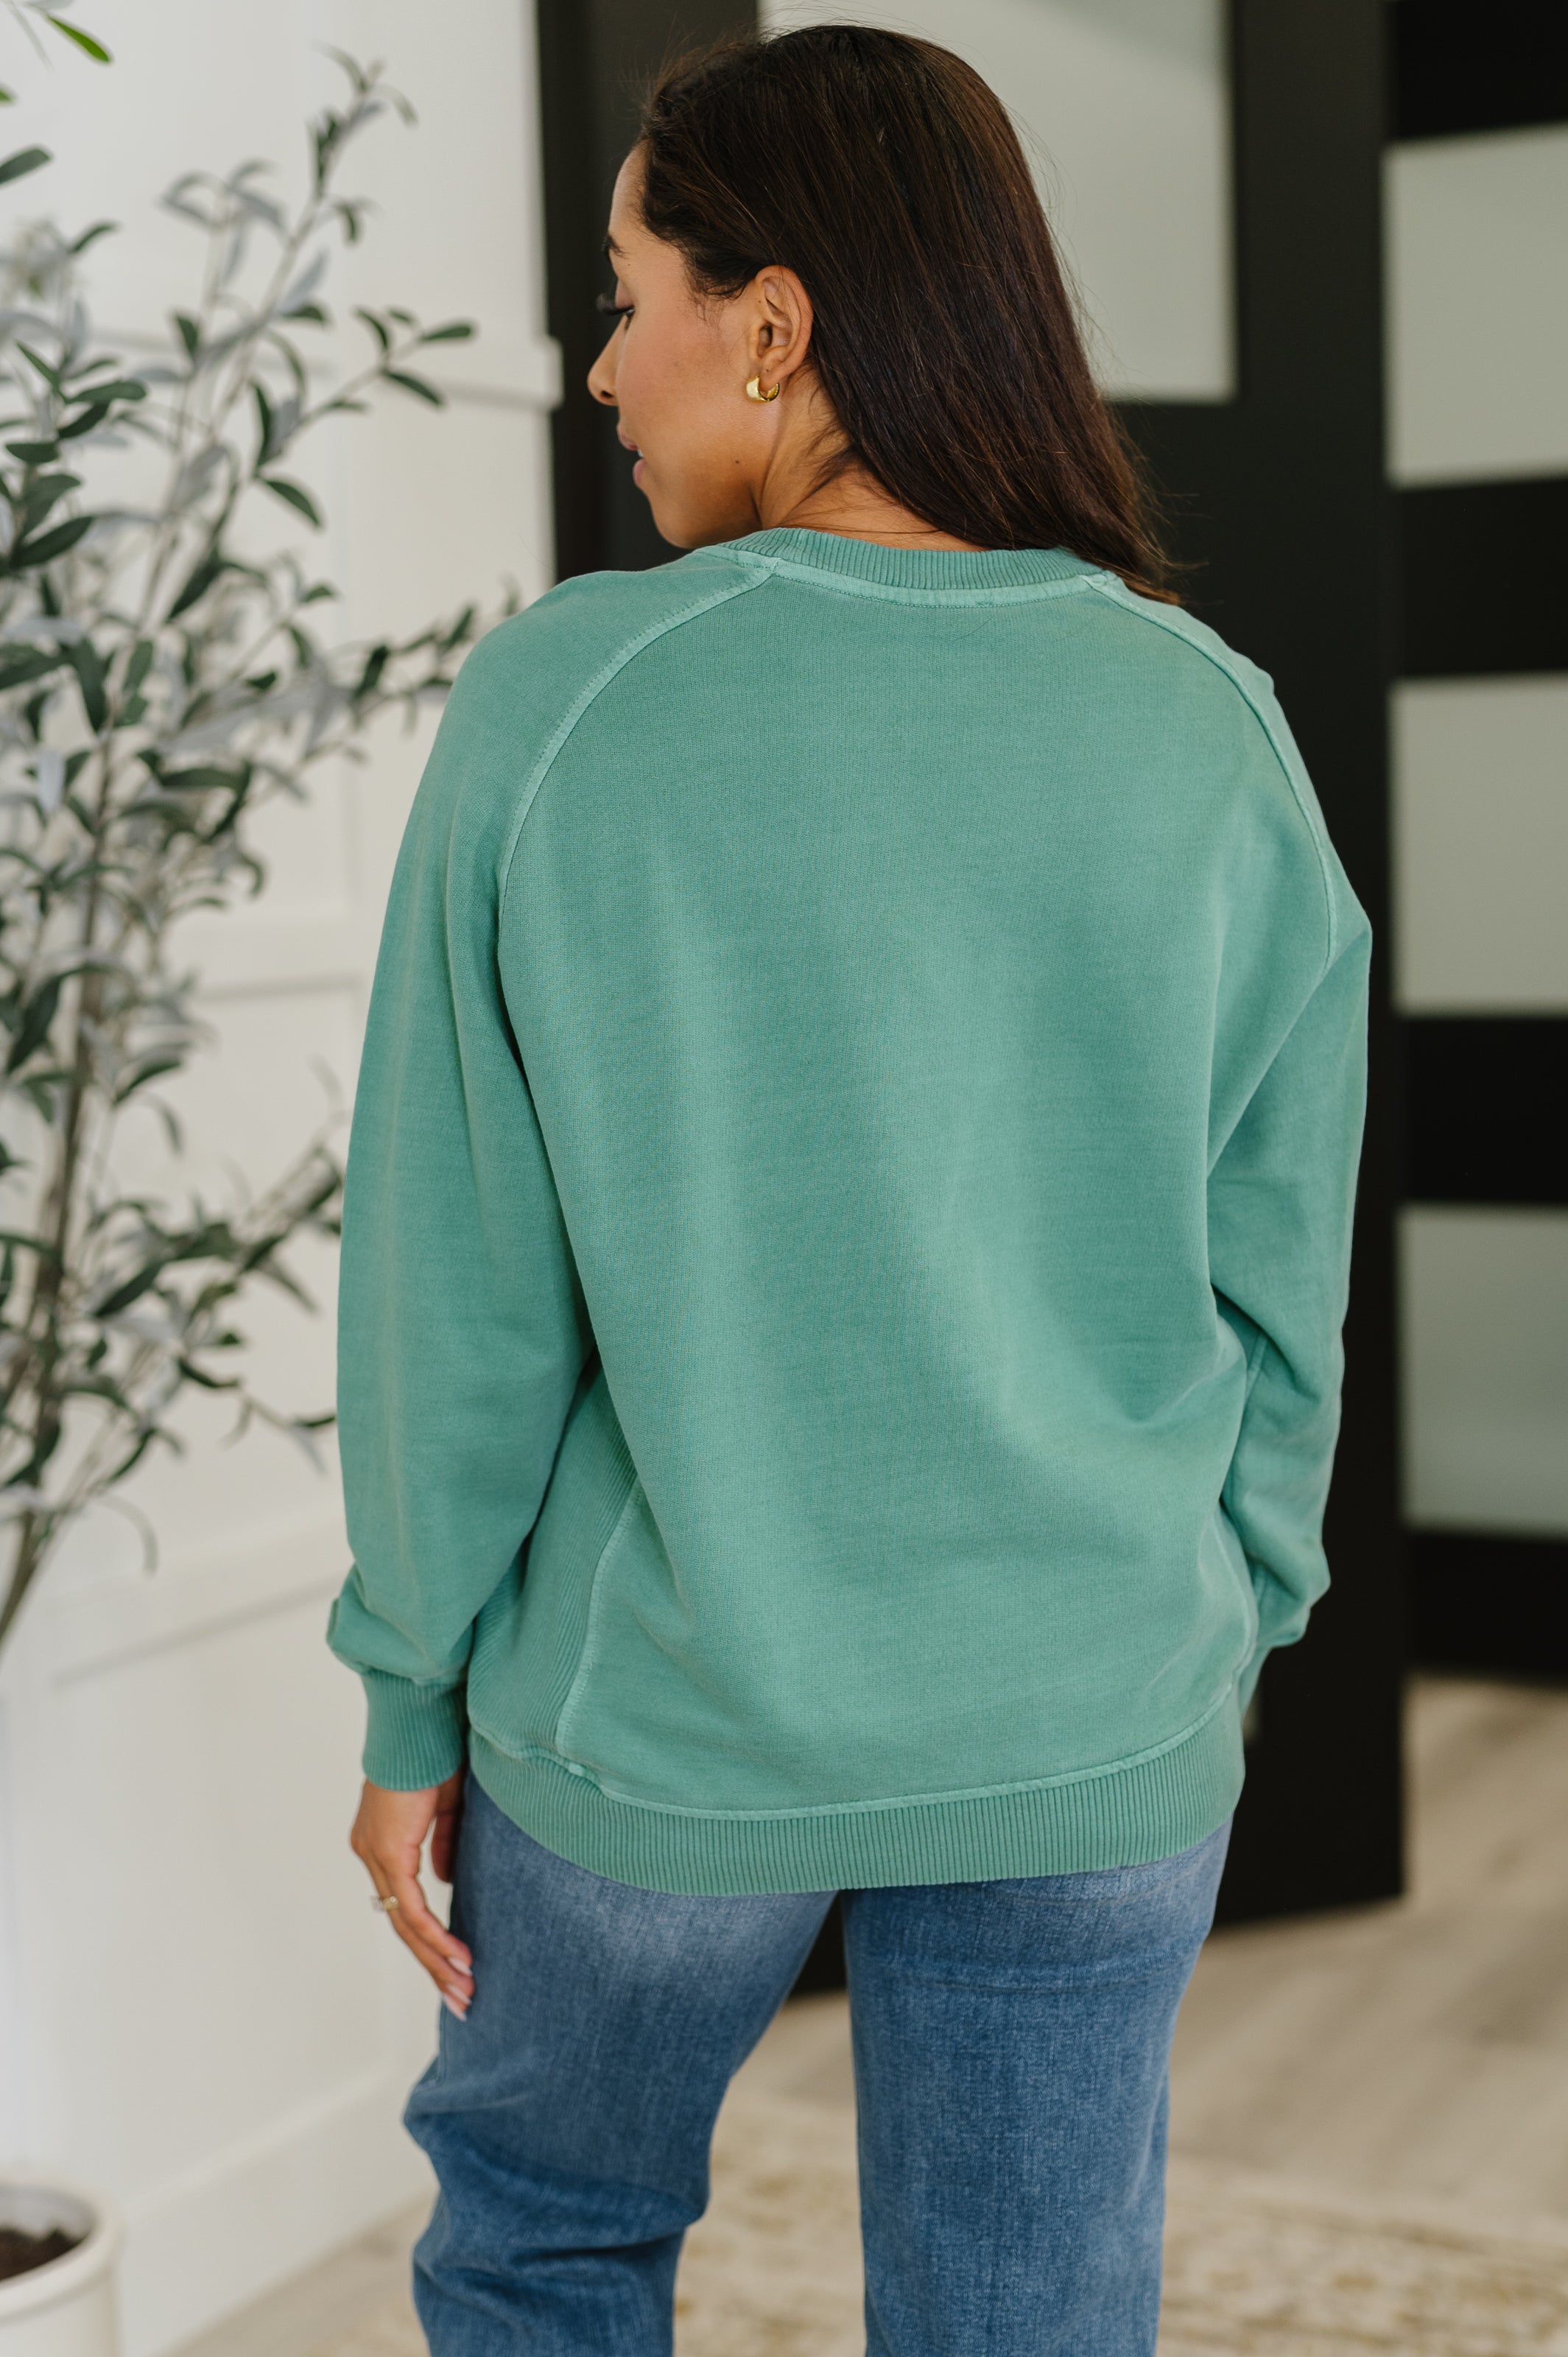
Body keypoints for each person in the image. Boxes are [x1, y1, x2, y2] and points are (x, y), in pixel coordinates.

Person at [326, 25, 1369, 2356]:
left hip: (664, 1723)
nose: (602, 369)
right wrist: (1234, 1605)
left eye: (626, 299)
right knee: (1025, 2314)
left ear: (772, 327)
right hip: (1091, 1706)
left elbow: (458, 1285)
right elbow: (1275, 1256)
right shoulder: (1201, 717)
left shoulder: (569, 704)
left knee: (544, 2243)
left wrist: (407, 1695)